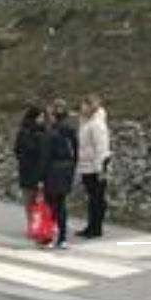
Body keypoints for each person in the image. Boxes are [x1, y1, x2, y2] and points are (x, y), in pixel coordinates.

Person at [37, 100, 80, 249]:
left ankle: (48, 238)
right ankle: (62, 239)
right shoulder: (71, 133)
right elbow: (76, 153)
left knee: (49, 206)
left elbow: (45, 157)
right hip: (67, 169)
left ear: (54, 117)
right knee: (62, 204)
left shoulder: (50, 134)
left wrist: (41, 178)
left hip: (52, 171)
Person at [76, 94, 113, 239]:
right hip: (87, 165)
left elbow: (101, 148)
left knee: (96, 199)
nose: (81, 108)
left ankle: (96, 227)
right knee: (92, 198)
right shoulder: (87, 122)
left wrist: (100, 169)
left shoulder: (97, 124)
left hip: (95, 167)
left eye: (84, 105)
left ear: (90, 106)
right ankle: (91, 225)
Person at [12, 106, 45, 211]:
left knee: (28, 197)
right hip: (38, 169)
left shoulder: (22, 131)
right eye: (41, 117)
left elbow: (16, 149)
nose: (43, 119)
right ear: (35, 117)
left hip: (26, 168)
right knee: (38, 198)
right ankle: (37, 223)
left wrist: (22, 160)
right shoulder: (41, 133)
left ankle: (31, 223)